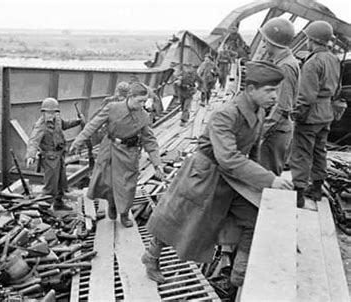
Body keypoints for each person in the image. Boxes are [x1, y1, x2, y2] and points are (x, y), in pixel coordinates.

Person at [142, 61, 293, 293]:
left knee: (253, 216)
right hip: (204, 173)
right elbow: (229, 158)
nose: (275, 96)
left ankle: (236, 278)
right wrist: (270, 180)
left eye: (276, 90)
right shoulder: (225, 114)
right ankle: (151, 257)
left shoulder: (260, 111)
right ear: (250, 89)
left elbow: (253, 150)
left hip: (231, 176)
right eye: (269, 90)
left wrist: (261, 182)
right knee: (178, 217)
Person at [69, 82, 164, 227]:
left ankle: (124, 214)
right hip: (110, 149)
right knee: (107, 182)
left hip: (129, 153)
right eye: (140, 101)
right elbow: (94, 124)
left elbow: (150, 141)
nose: (142, 104)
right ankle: (112, 205)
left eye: (144, 101)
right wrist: (78, 141)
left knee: (127, 185)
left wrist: (157, 164)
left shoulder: (144, 116)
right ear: (131, 96)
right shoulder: (112, 108)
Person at [289, 20, 340, 207]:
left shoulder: (312, 63)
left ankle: (299, 193)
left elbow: (307, 96)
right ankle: (317, 189)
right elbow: (338, 89)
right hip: (327, 113)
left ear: (312, 39)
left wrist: (298, 115)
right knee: (320, 151)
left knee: (301, 152)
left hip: (311, 115)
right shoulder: (334, 59)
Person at [258, 17, 300, 176]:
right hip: (278, 128)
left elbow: (282, 106)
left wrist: (261, 131)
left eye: (265, 39)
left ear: (272, 41)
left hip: (276, 130)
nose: (263, 43)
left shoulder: (285, 67)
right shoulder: (286, 62)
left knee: (268, 177)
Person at [25, 97, 84, 211]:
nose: (51, 114)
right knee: (50, 186)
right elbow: (33, 140)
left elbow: (65, 124)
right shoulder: (41, 125)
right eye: (49, 112)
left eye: (54, 112)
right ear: (44, 112)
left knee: (61, 183)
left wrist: (78, 121)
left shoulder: (57, 120)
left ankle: (58, 203)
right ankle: (43, 209)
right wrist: (30, 155)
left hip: (60, 156)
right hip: (50, 159)